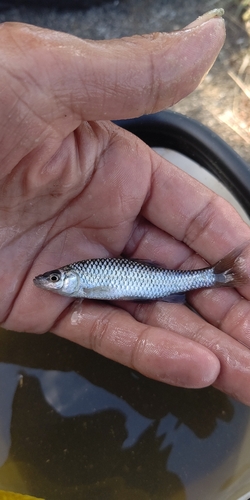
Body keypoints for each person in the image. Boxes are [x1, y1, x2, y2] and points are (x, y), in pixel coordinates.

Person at [1, 10, 250, 406]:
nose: (50, 283)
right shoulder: (80, 282)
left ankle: (218, 276)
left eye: (54, 279)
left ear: (70, 278)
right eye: (54, 279)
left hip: (160, 281)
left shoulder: (83, 282)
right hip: (158, 282)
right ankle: (217, 276)